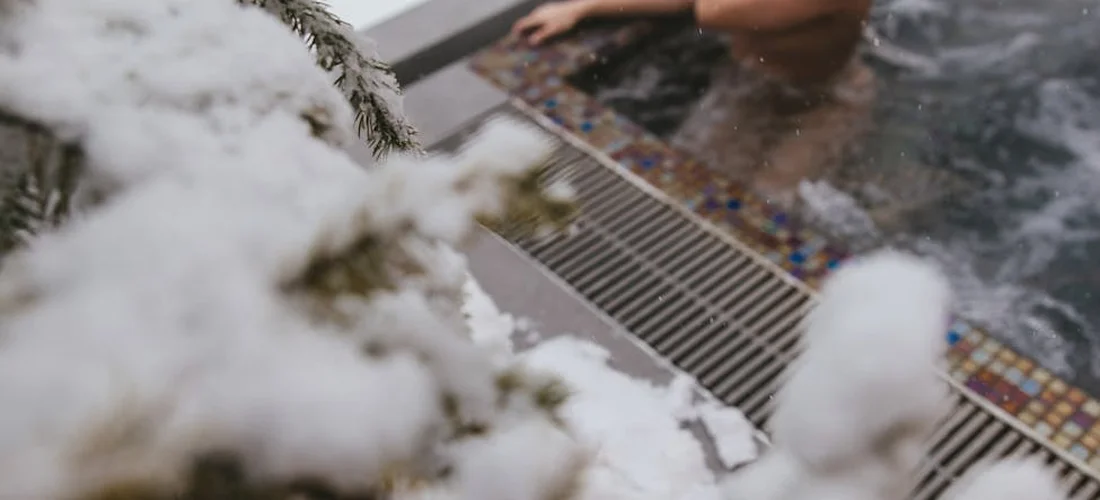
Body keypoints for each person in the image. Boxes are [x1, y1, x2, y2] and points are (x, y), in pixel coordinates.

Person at [512, 0, 875, 205]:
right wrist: (585, 6)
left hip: (823, 103)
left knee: (766, 205)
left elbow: (714, 10)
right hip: (749, 82)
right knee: (690, 184)